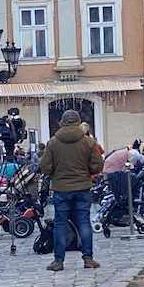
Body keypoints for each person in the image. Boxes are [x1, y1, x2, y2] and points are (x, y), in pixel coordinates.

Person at [40, 109, 103, 272]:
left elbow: (45, 167)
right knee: (83, 221)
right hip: (83, 187)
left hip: (61, 189)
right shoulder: (88, 142)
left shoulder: (53, 142)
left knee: (60, 223)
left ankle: (58, 261)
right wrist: (86, 171)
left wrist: (56, 173)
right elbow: (97, 165)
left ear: (62, 121)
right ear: (78, 122)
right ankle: (88, 258)